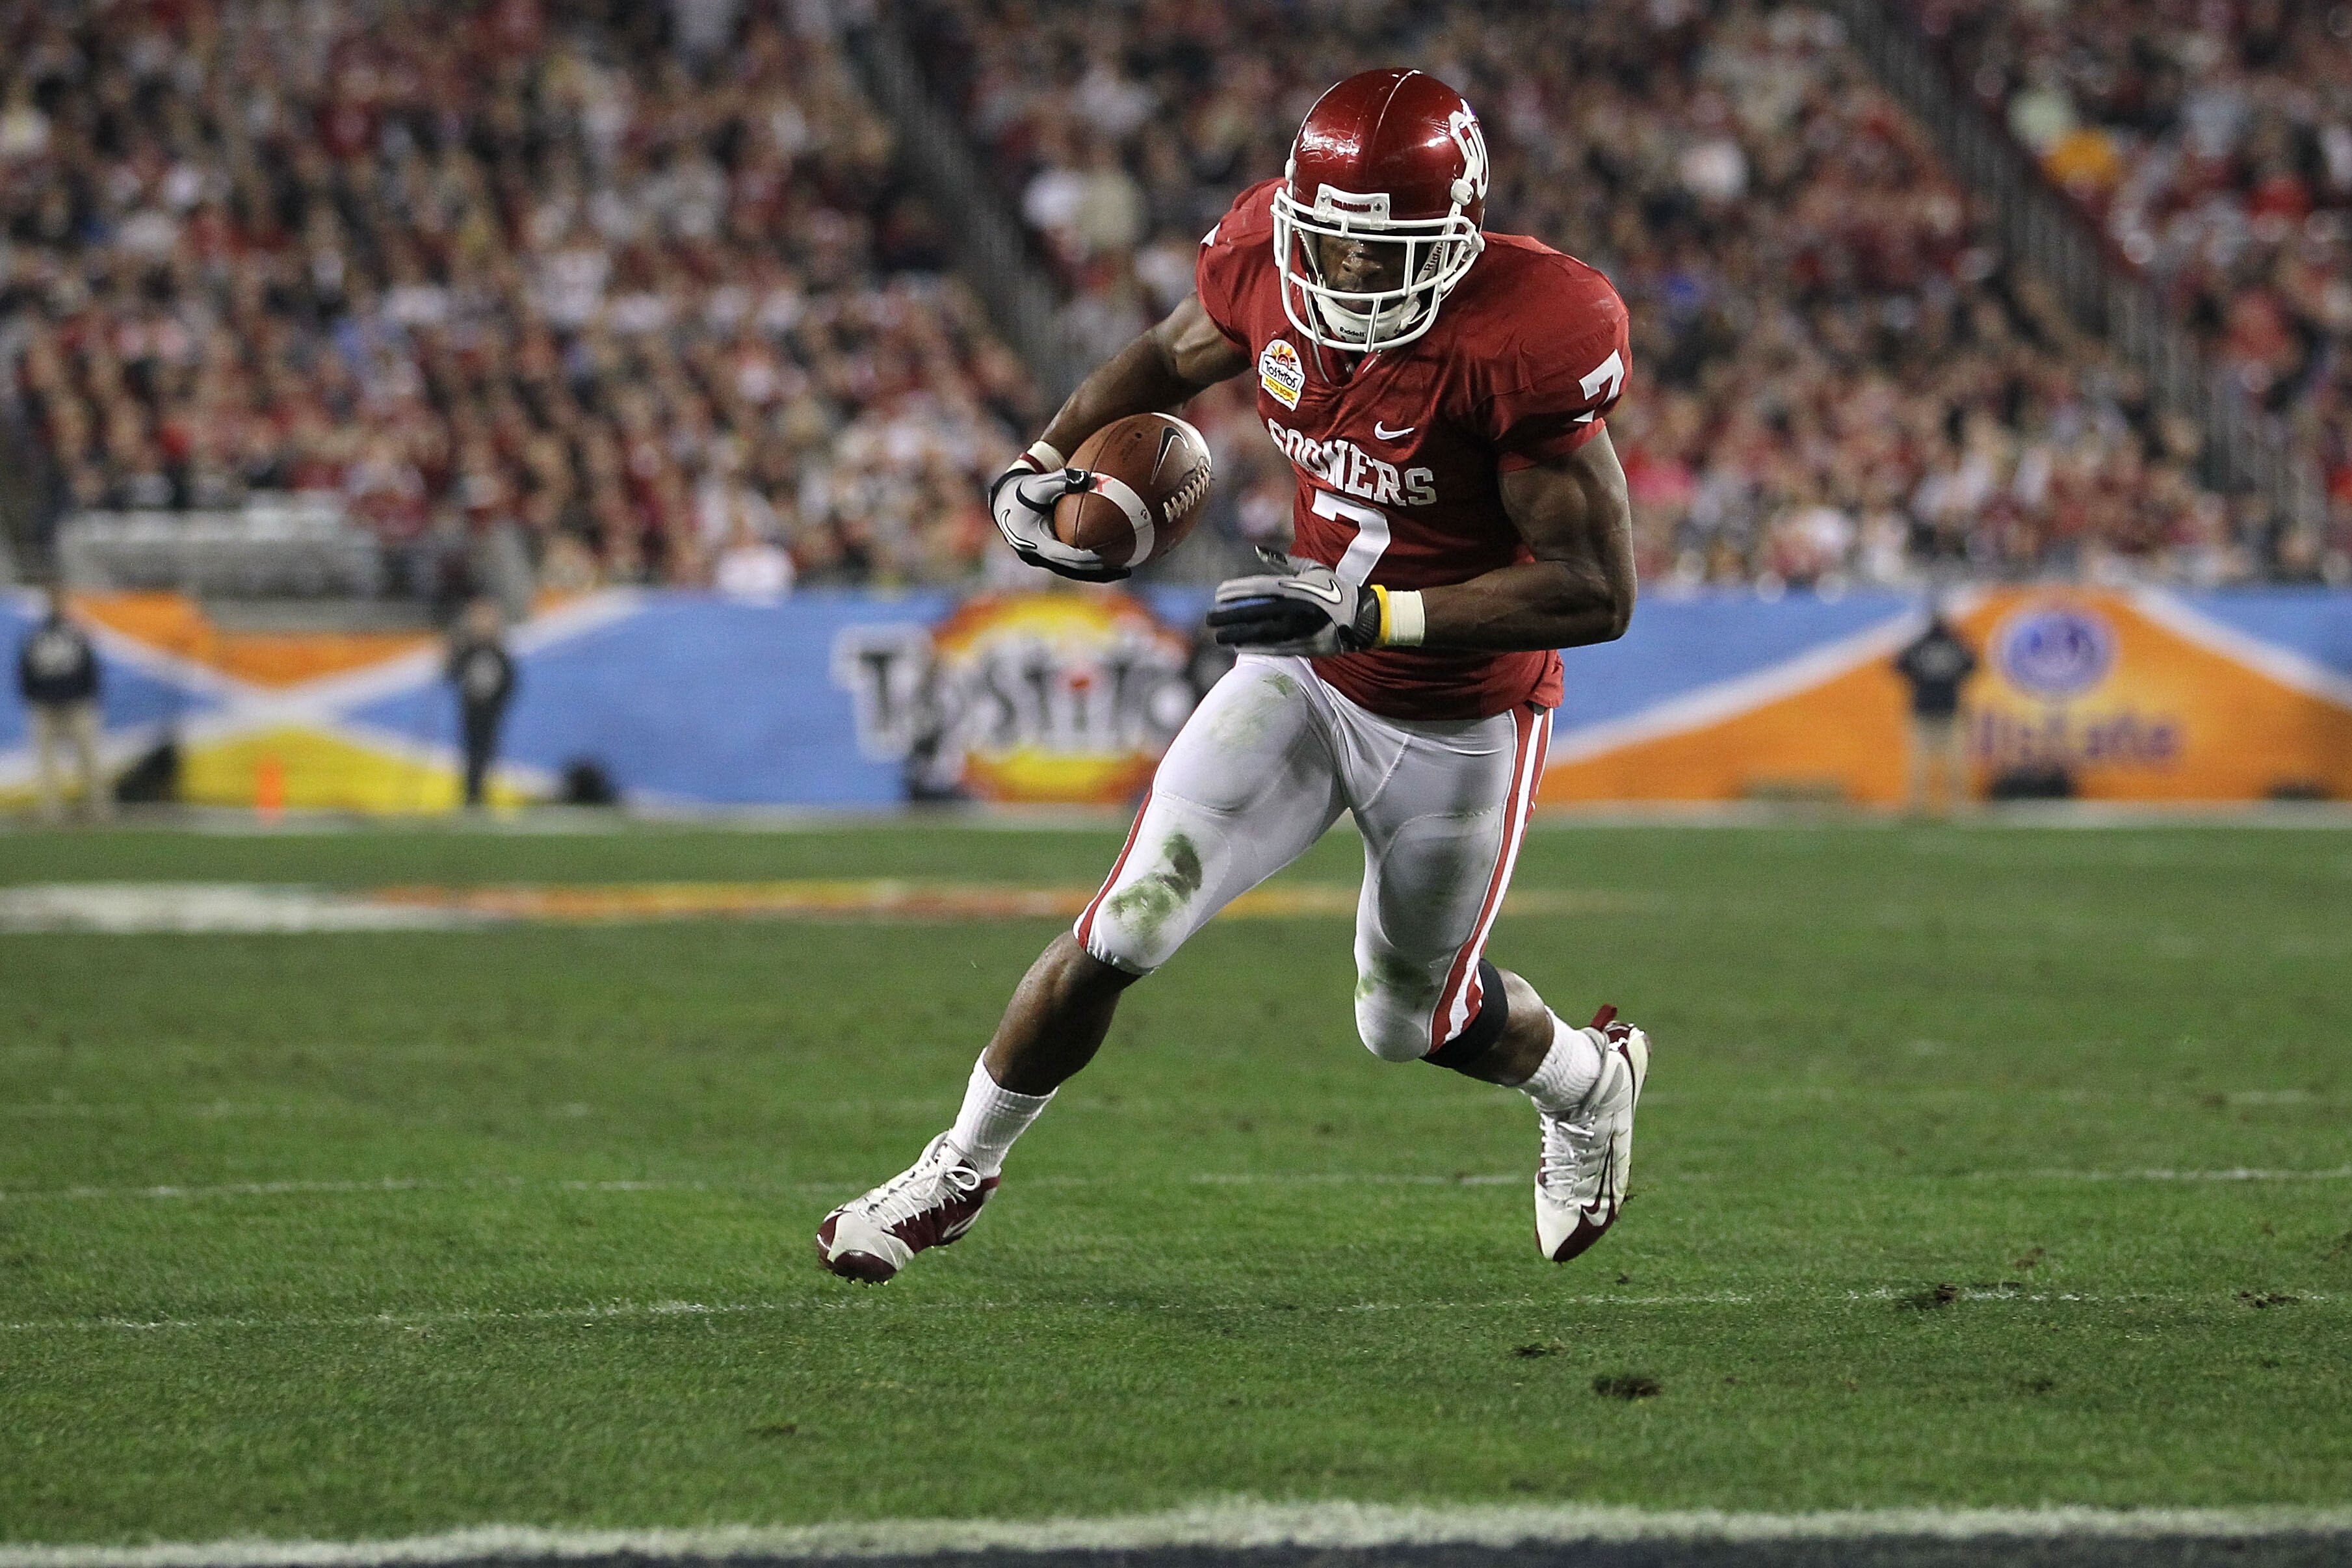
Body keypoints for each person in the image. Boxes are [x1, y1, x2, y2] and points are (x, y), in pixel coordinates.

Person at [817, 70, 1650, 1282]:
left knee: (1406, 1020)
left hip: (1459, 710)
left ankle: (1586, 1082)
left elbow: (1597, 592)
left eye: (1386, 248)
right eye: (1331, 242)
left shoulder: (1530, 331)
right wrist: (1046, 455)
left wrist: (1374, 611)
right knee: (1129, 916)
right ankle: (956, 1167)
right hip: (1307, 677)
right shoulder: (1266, 255)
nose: (1351, 273)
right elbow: (1167, 352)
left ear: (1458, 233)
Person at [16, 586, 110, 824]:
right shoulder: (36, 636)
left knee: (89, 758)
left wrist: (84, 695)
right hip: (46, 706)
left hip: (76, 703)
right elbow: (25, 671)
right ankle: (52, 812)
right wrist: (36, 698)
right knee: (47, 762)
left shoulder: (76, 634)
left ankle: (98, 809)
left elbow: (90, 669)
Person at [1893, 608, 1978, 815]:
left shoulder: (1919, 645)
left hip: (1924, 708)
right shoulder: (1956, 645)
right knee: (1954, 761)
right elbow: (1973, 664)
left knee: (1920, 762)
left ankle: (1918, 806)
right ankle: (1957, 805)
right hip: (1949, 708)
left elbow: (1899, 665)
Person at [446, 598, 517, 809]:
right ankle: (471, 793)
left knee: (486, 751)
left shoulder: (498, 653)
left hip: (490, 711)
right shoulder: (468, 651)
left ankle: (480, 792)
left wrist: (498, 704)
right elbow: (453, 674)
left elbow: (509, 681)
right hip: (471, 709)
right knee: (471, 751)